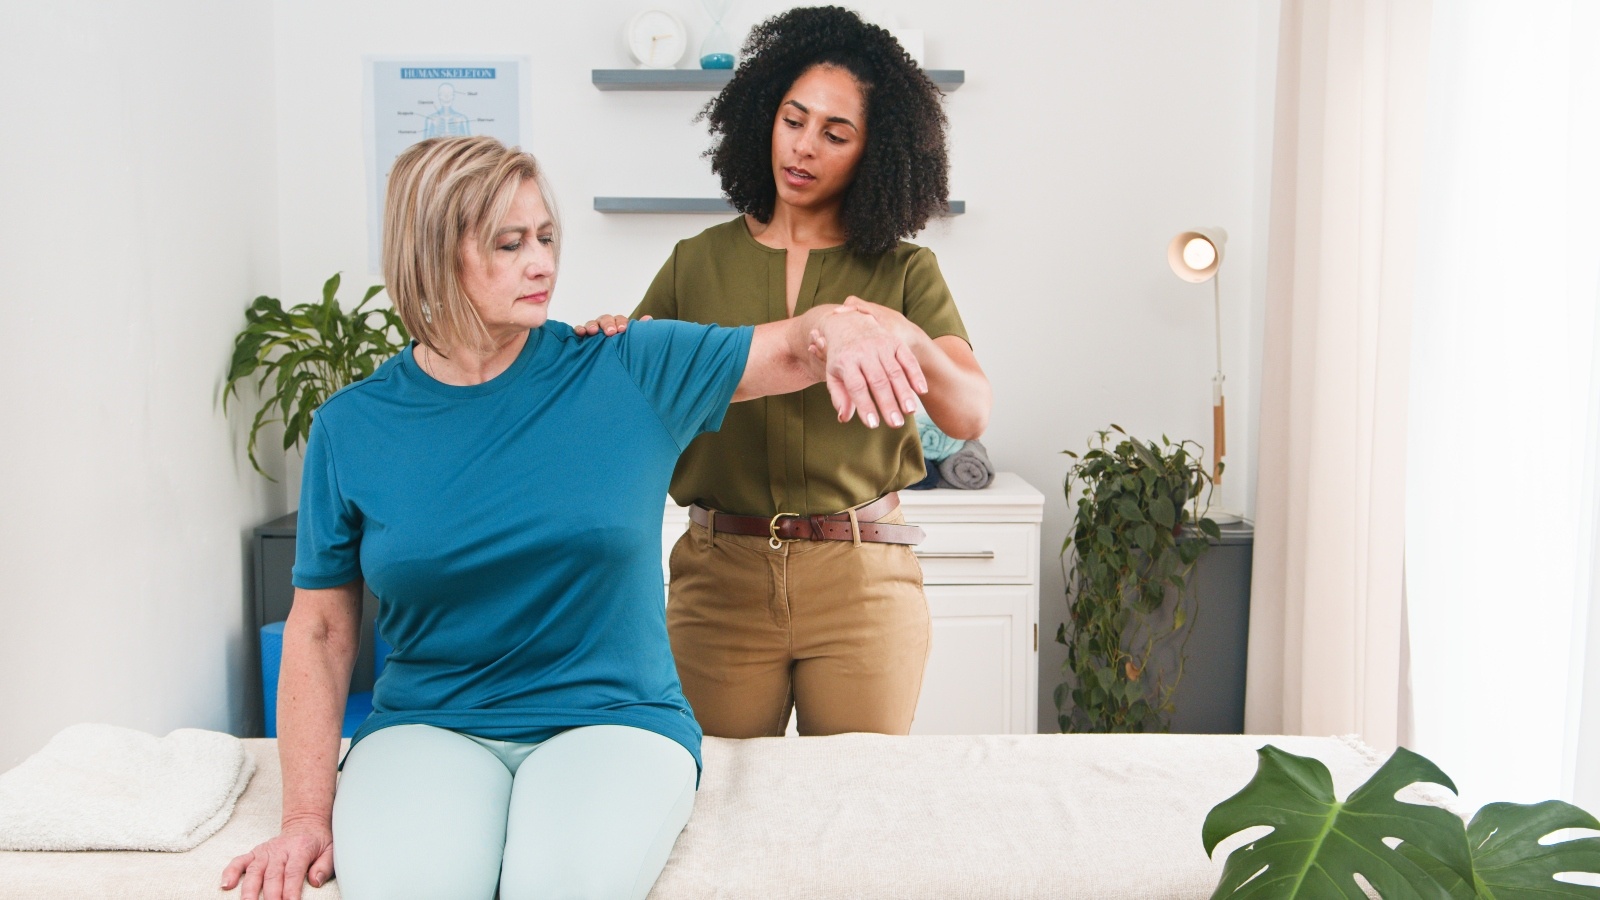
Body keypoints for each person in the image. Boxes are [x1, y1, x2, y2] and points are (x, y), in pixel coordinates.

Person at [219, 134, 925, 900]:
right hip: (427, 727)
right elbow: (320, 631)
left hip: (613, 722)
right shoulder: (351, 427)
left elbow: (789, 348)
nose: (543, 263)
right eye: (510, 243)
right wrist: (303, 815)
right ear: (431, 253)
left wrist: (840, 328)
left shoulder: (626, 367)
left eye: (548, 238)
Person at [581, 6, 991, 740]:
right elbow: (630, 405)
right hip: (720, 580)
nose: (802, 148)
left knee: (854, 807)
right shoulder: (695, 262)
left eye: (835, 135)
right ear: (762, 117)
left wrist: (902, 334)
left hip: (864, 581)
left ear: (875, 151)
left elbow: (968, 413)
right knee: (715, 807)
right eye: (792, 120)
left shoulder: (904, 271)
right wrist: (615, 343)